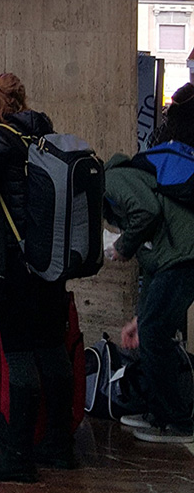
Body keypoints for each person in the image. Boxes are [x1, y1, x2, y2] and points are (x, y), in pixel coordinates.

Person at [0, 73, 76, 482]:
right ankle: (60, 446)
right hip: (50, 262)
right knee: (51, 350)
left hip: (15, 263)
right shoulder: (45, 134)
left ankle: (16, 455)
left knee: (20, 353)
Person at [105, 88, 194, 441]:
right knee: (152, 331)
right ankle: (160, 411)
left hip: (184, 257)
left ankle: (178, 420)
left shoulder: (113, 179)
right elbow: (153, 263)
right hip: (177, 258)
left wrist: (122, 247)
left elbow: (147, 211)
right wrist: (138, 320)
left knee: (156, 334)